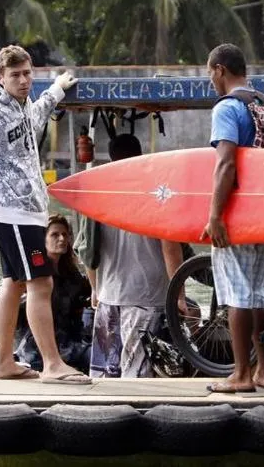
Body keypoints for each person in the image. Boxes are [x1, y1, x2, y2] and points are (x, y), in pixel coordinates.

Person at [0, 44, 89, 384]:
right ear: (0, 77)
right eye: (15, 75)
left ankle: (4, 362)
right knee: (41, 282)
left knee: (13, 284)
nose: (23, 80)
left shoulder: (23, 106)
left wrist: (58, 89)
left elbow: (37, 115)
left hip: (30, 212)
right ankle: (52, 364)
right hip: (12, 212)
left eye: (27, 73)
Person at [77, 133, 187, 378]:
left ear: (112, 158)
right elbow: (170, 247)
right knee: (137, 373)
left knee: (106, 375)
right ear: (141, 156)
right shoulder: (158, 193)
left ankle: (108, 414)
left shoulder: (98, 194)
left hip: (109, 295)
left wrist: (95, 289)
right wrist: (179, 295)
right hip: (146, 296)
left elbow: (87, 249)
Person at [201, 43, 264, 393]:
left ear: (220, 69)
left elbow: (226, 163)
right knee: (259, 294)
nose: (210, 81)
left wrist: (215, 215)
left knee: (236, 294)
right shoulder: (263, 103)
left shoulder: (228, 108)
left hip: (237, 212)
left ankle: (240, 375)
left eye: (210, 74)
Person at [13, 214, 92, 374]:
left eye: (65, 234)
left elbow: (87, 295)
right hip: (33, 349)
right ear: (43, 239)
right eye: (55, 235)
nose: (62, 239)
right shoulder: (31, 271)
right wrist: (29, 296)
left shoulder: (72, 275)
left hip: (70, 346)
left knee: (99, 357)